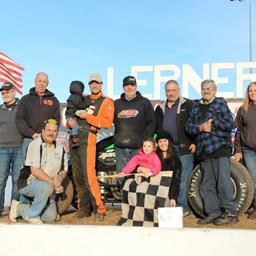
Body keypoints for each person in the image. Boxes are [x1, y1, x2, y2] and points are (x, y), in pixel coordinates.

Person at [186, 79, 238, 225]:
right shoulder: (196, 107)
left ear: (215, 90)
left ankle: (230, 212)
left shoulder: (220, 103)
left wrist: (213, 123)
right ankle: (213, 212)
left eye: (209, 88)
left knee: (223, 181)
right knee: (207, 184)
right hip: (203, 150)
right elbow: (188, 127)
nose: (206, 91)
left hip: (220, 147)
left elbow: (229, 124)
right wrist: (200, 128)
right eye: (203, 88)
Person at [66, 73, 114, 221]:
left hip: (89, 137)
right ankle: (84, 208)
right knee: (77, 176)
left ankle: (99, 209)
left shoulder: (107, 101)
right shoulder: (82, 98)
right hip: (73, 136)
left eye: (97, 83)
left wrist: (88, 117)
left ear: (101, 84)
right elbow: (69, 115)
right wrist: (70, 122)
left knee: (89, 176)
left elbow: (107, 123)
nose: (94, 85)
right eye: (92, 83)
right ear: (89, 85)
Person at [9, 119, 68, 224]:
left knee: (50, 217)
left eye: (54, 131)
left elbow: (63, 170)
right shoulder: (35, 145)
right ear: (43, 131)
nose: (51, 133)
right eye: (48, 130)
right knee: (47, 187)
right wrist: (54, 183)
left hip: (47, 187)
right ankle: (31, 214)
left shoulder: (61, 148)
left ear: (57, 132)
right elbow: (35, 171)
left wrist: (59, 179)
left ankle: (20, 208)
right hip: (28, 183)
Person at [155, 80, 195, 216]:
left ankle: (183, 207)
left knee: (183, 177)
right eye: (168, 91)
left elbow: (195, 125)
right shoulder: (160, 107)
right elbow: (158, 128)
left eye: (173, 90)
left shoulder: (188, 104)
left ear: (178, 90)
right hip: (167, 148)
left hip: (184, 147)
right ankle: (167, 205)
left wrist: (194, 142)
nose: (171, 93)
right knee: (167, 178)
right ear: (165, 92)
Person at [114, 75, 155, 174]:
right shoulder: (116, 104)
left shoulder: (144, 102)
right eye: (126, 85)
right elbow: (109, 121)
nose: (129, 87)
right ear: (123, 87)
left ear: (136, 86)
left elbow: (152, 123)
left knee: (139, 177)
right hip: (120, 148)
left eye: (132, 85)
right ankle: (122, 190)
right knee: (121, 176)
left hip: (138, 148)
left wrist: (144, 141)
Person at [16, 72, 60, 159]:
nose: (42, 84)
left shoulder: (54, 100)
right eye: (39, 81)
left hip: (47, 140)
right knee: (27, 168)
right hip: (29, 139)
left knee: (46, 168)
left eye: (44, 82)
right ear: (35, 81)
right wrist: (32, 134)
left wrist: (46, 134)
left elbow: (56, 120)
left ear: (47, 84)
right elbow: (19, 119)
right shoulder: (25, 99)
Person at [0, 83, 23, 217]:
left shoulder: (22, 108)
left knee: (17, 180)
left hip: (19, 148)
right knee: (1, 179)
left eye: (8, 92)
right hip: (1, 148)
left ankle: (14, 210)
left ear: (14, 92)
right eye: (3, 92)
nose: (5, 94)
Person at [234, 81, 256, 219]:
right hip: (249, 150)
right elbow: (238, 132)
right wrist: (238, 150)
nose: (252, 93)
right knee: (253, 179)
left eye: (255, 90)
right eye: (250, 91)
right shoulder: (244, 109)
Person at [156, 131, 182, 207]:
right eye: (160, 141)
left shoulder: (176, 161)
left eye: (165, 141)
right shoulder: (153, 157)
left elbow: (176, 181)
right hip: (153, 191)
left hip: (167, 192)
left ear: (169, 142)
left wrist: (173, 198)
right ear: (157, 144)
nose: (163, 144)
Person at [65, 80, 93, 147]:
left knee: (74, 126)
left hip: (69, 114)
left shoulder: (72, 96)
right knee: (75, 126)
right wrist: (88, 103)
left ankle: (73, 136)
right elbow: (80, 105)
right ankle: (74, 140)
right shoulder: (77, 97)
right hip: (72, 115)